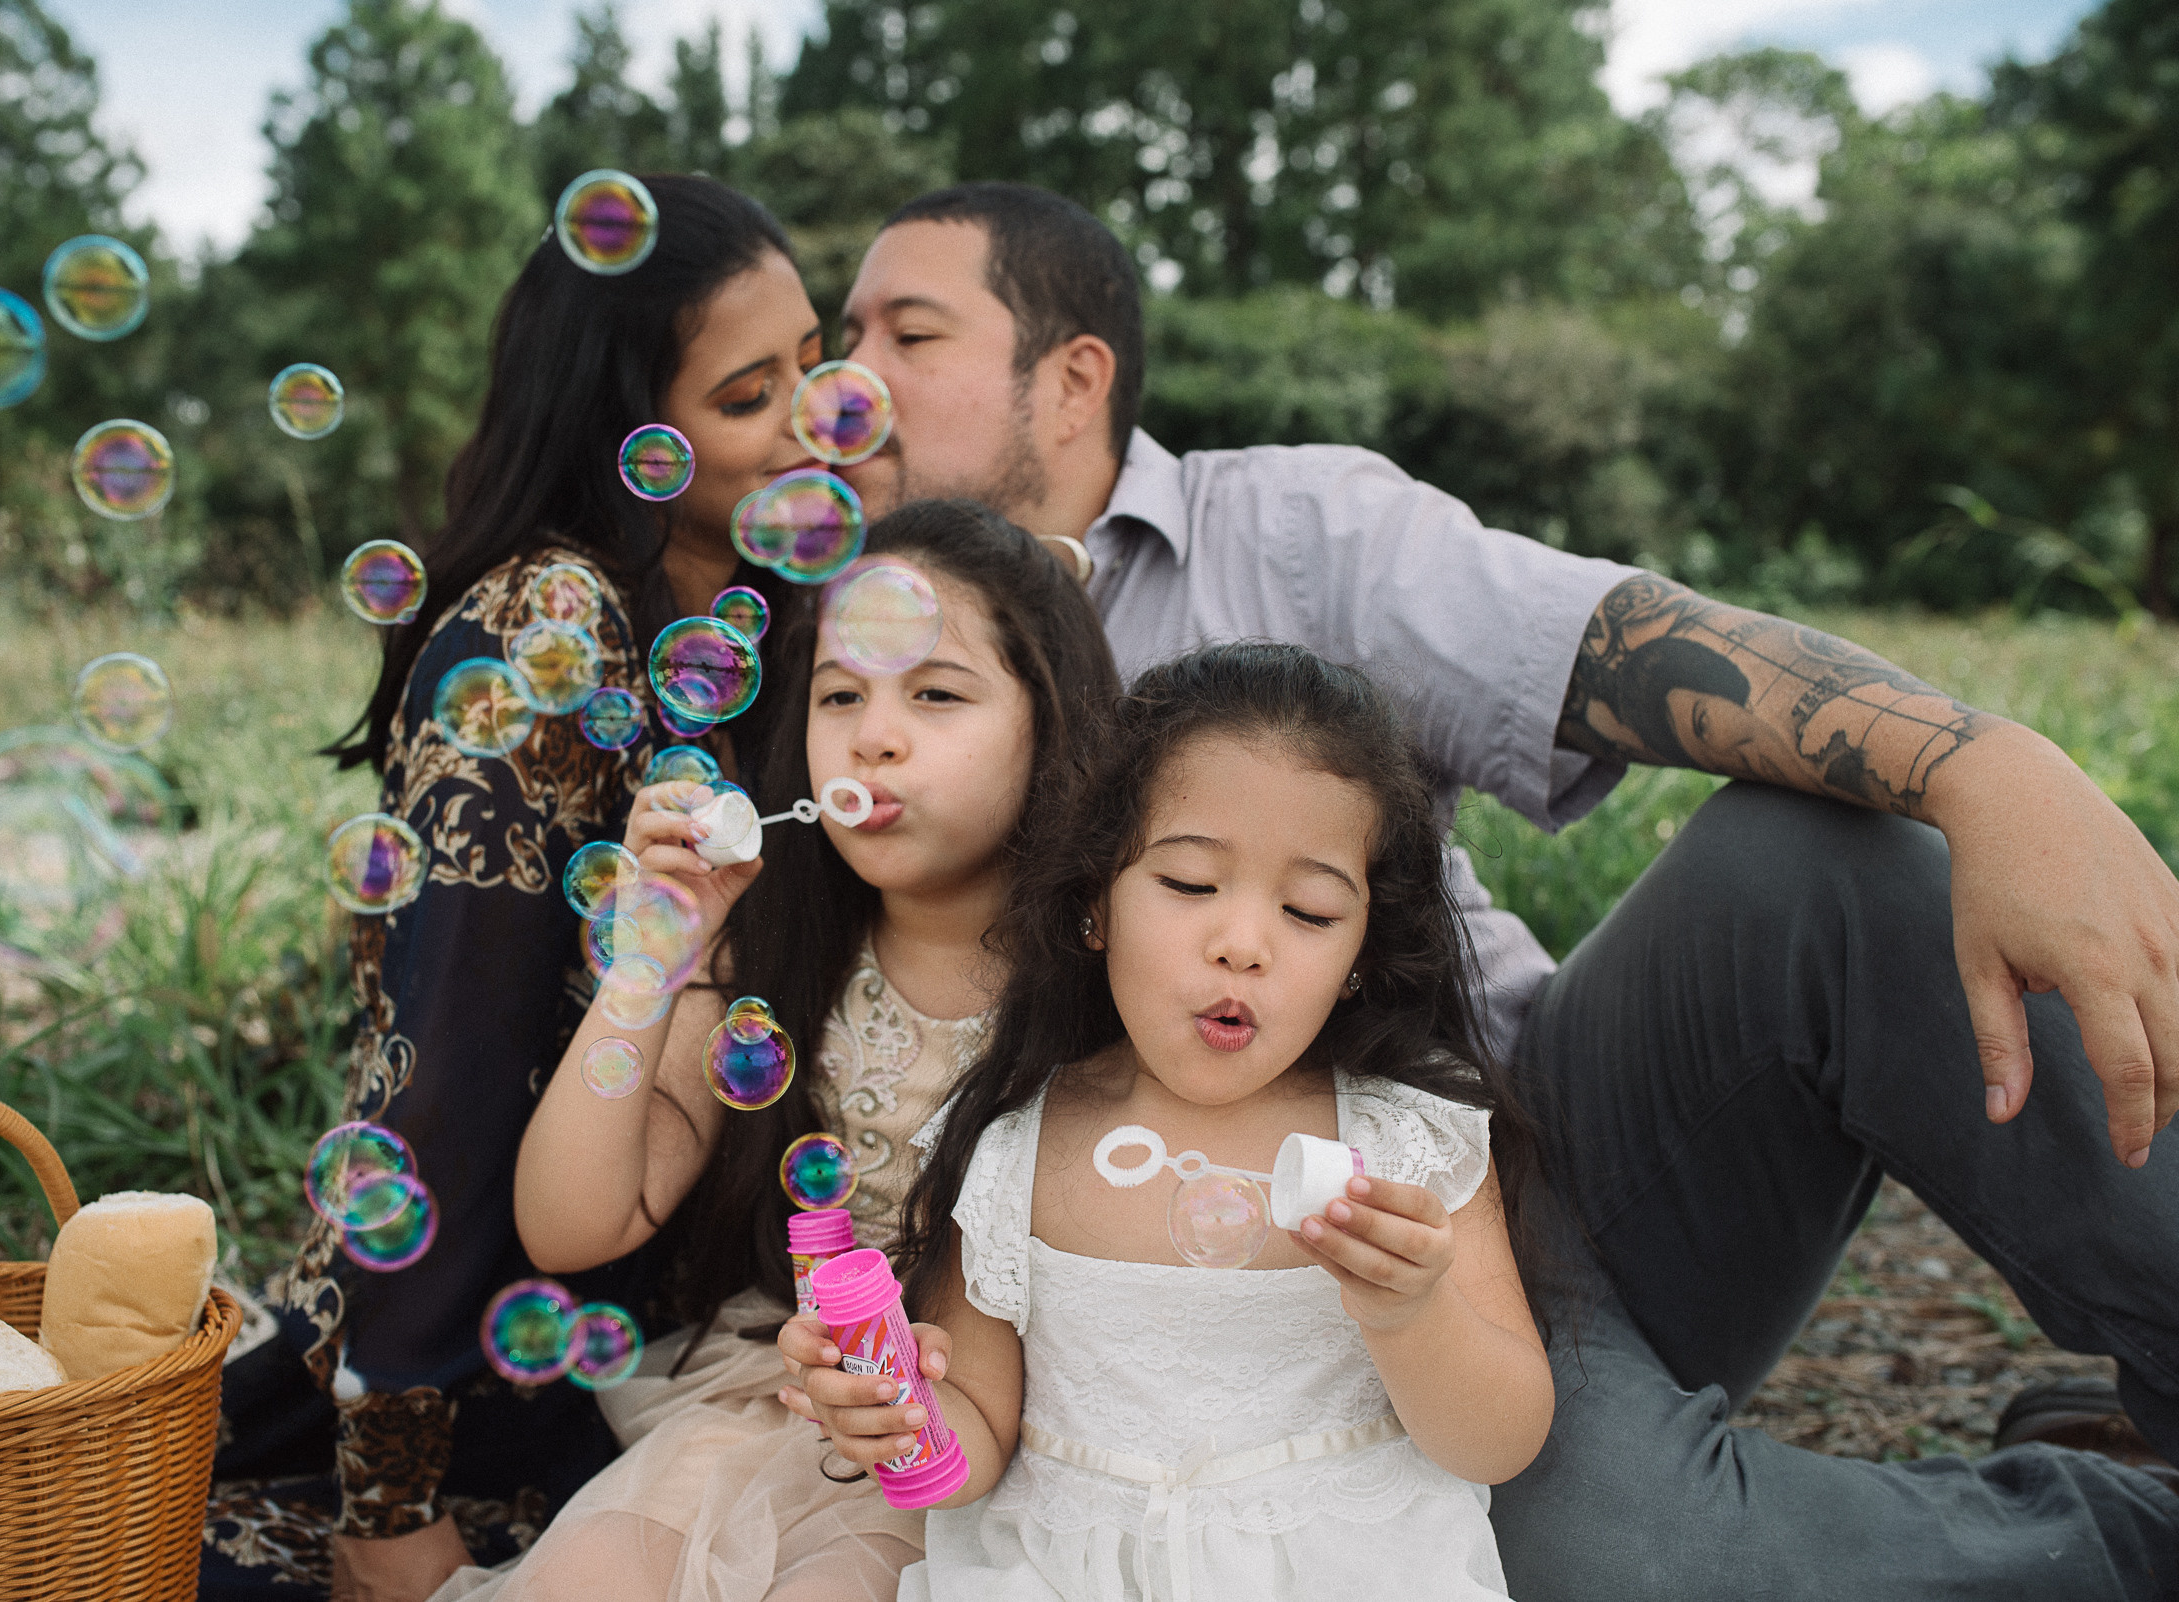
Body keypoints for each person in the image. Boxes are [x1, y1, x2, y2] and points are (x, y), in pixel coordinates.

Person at [828, 180, 2179, 1598]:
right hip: (1205, 1346)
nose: (843, 378)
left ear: (1072, 376)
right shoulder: (838, 646)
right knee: (1583, 1561)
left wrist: (1989, 767)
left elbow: (1616, 647)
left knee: (1815, 857)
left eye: (905, 332)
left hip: (1516, 1160)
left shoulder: (1292, 531)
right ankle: (2126, 1531)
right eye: (832, 336)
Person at [200, 175, 826, 1602]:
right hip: (482, 1345)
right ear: (633, 433)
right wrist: (390, 1487)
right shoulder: (550, 624)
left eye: (814, 359)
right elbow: (448, 1065)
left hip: (663, 1322)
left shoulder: (753, 604)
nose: (811, 416)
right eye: (750, 392)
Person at [424, 500, 1121, 1602]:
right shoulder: (779, 951)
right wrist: (655, 953)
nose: (873, 734)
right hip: (787, 1397)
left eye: (935, 692)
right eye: (840, 694)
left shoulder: (1113, 971)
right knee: (589, 1578)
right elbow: (572, 1223)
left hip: (1017, 1436)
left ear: (1055, 715)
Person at [784, 641, 1553, 1597]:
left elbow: (1501, 1441)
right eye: (1190, 885)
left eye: (1311, 911)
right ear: (1095, 902)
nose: (1243, 945)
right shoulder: (1014, 1146)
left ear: (1362, 950)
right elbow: (974, 1438)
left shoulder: (1405, 1145)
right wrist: (894, 1408)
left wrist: (1414, 1310)